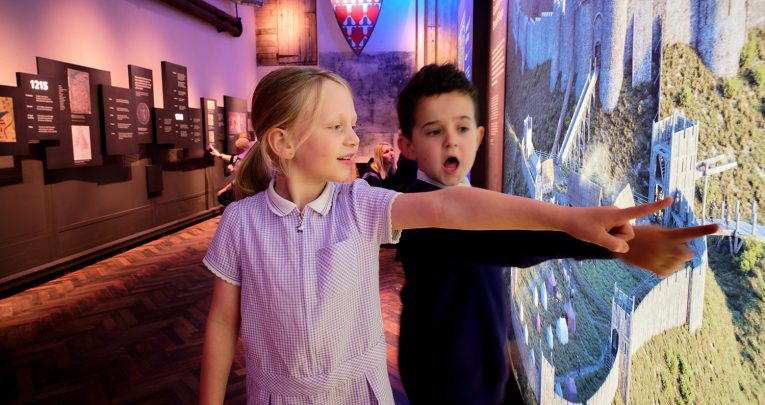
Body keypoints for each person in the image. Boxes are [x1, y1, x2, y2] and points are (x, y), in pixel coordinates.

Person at [199, 66, 683, 405]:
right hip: (342, 386)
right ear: (283, 142)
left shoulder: (362, 203)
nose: (354, 138)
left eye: (353, 124)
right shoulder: (243, 225)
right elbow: (223, 322)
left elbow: (455, 206)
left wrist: (572, 221)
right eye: (337, 126)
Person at [393, 64, 719, 404]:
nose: (451, 141)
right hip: (444, 384)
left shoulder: (468, 197)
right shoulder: (419, 212)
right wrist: (614, 243)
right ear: (407, 145)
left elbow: (485, 270)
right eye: (434, 131)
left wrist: (504, 345)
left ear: (476, 137)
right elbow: (511, 239)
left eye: (461, 128)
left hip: (481, 371)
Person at [210, 134, 254, 205]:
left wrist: (224, 189)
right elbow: (232, 158)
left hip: (246, 193)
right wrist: (219, 155)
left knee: (223, 197)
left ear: (238, 148)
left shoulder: (244, 162)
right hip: (249, 192)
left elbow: (238, 182)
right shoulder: (248, 156)